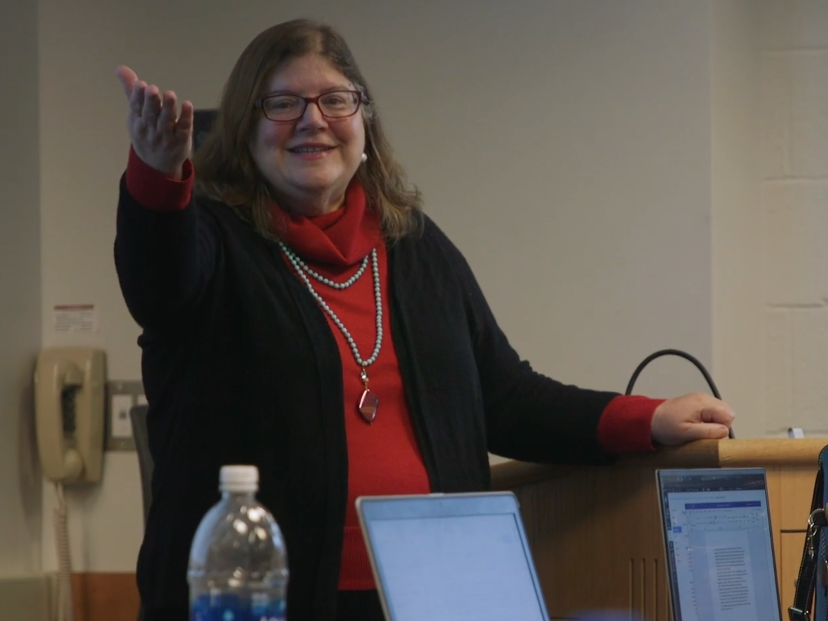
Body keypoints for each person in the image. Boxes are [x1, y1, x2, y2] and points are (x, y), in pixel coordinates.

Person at [113, 18, 734, 621]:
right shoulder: (211, 240)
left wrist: (645, 418)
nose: (313, 120)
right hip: (262, 602)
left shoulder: (412, 245)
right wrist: (159, 177)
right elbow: (157, 281)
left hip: (432, 593)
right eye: (282, 104)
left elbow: (505, 397)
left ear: (365, 120)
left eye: (336, 100)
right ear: (246, 130)